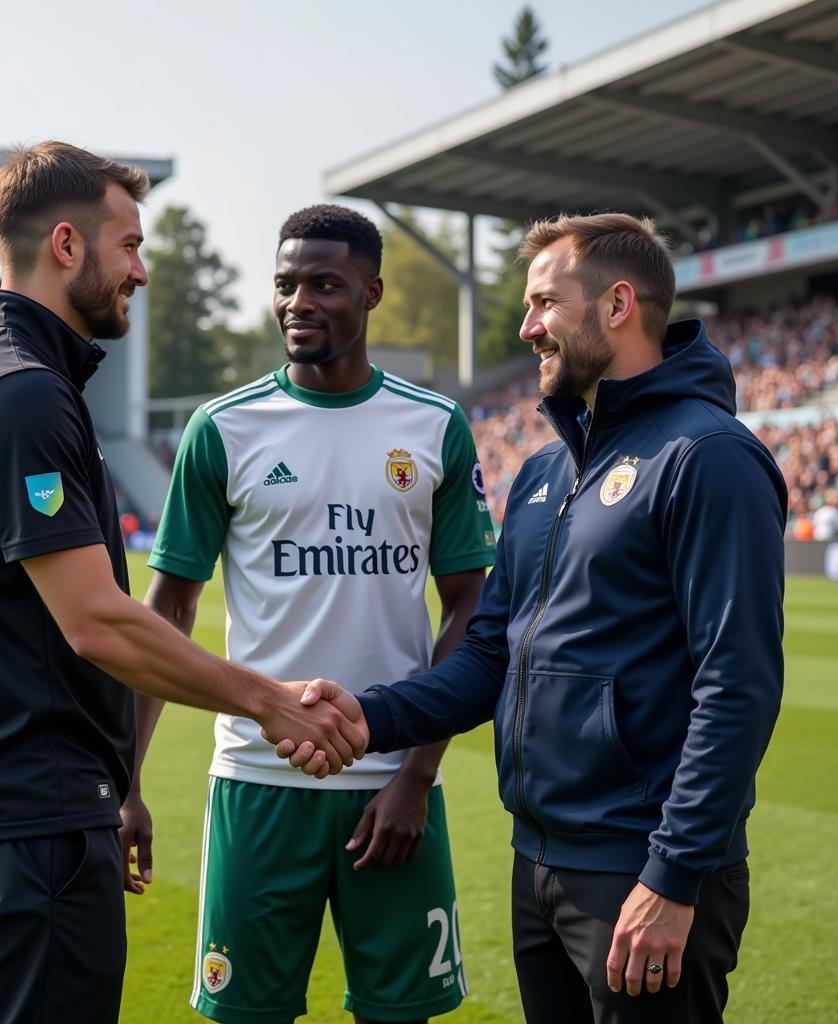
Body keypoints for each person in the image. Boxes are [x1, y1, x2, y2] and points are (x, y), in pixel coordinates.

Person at [281, 213, 788, 1024]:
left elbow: (739, 684)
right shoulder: (545, 469)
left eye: (545, 303)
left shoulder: (708, 458)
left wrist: (673, 874)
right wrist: (367, 717)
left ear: (618, 305)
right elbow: (491, 654)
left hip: (642, 870)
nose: (526, 328)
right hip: (540, 862)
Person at [0, 144, 365, 1024]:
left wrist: (118, 781)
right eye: (130, 247)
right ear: (67, 246)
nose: (141, 273)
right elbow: (99, 624)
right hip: (26, 824)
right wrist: (268, 701)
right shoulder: (19, 391)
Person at [122, 204, 496, 1024]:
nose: (300, 302)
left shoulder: (433, 427)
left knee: (400, 1013)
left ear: (372, 292)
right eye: (287, 285)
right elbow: (168, 611)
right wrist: (128, 778)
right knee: (246, 1014)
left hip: (392, 785)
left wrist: (416, 775)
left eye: (325, 284)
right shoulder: (222, 429)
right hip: (259, 784)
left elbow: (471, 607)